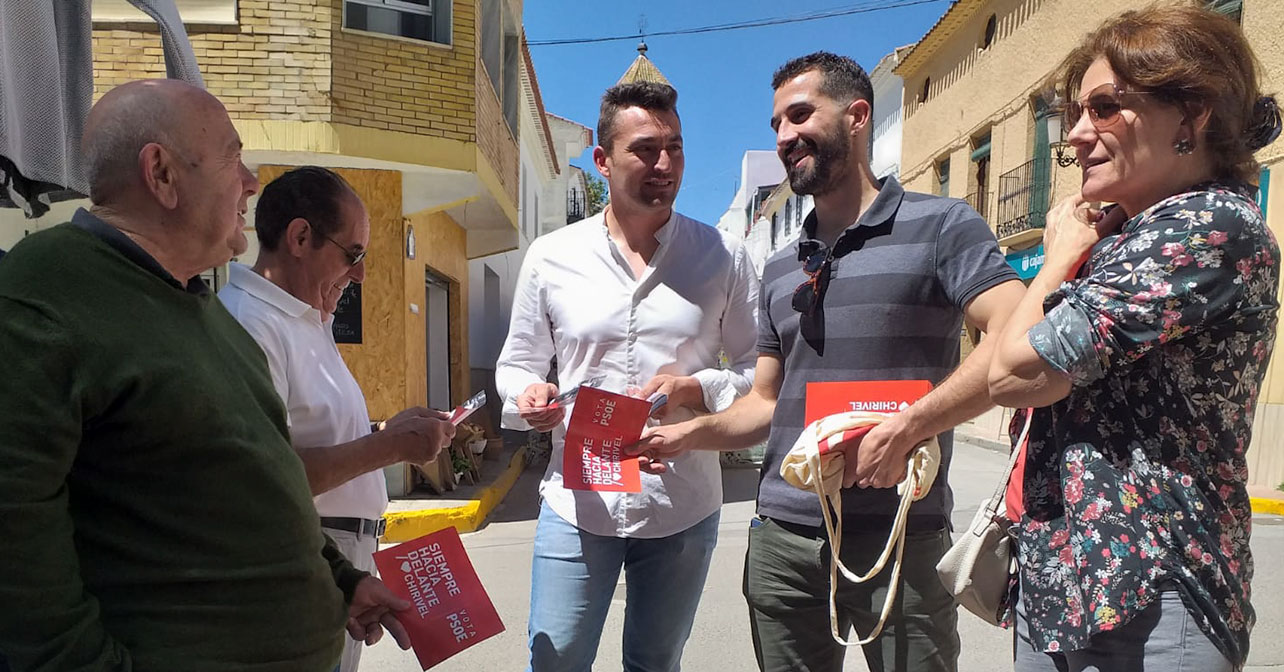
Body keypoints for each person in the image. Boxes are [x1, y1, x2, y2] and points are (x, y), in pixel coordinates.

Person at [0, 80, 412, 672]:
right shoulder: (49, 293)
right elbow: (16, 537)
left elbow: (254, 482)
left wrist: (340, 578)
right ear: (161, 174)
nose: (250, 183)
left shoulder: (200, 307)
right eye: (232, 158)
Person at [632, 52, 1026, 672]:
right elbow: (765, 403)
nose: (785, 138)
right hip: (784, 543)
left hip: (902, 537)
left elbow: (1014, 331)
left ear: (858, 116)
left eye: (799, 115)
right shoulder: (782, 265)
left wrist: (912, 425)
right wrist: (691, 434)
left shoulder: (944, 226)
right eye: (776, 127)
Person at [987, 6, 1282, 671]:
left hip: (1152, 596)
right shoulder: (1130, 233)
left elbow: (1011, 372)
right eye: (1072, 114)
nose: (1076, 136)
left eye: (1104, 109)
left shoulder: (1206, 228)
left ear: (1192, 114)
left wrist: (1060, 253)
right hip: (1065, 581)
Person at [495, 80, 759, 672]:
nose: (664, 164)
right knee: (556, 660)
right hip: (578, 500)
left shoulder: (726, 256)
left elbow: (754, 375)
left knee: (654, 663)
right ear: (602, 160)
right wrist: (527, 394)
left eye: (676, 147)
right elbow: (516, 365)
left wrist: (696, 388)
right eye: (644, 149)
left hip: (682, 505)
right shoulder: (551, 256)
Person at [219, 165, 457, 672]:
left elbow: (313, 436)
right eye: (354, 255)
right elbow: (268, 476)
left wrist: (386, 434)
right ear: (300, 237)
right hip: (305, 553)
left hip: (338, 556)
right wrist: (392, 448)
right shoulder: (251, 323)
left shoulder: (307, 317)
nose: (362, 275)